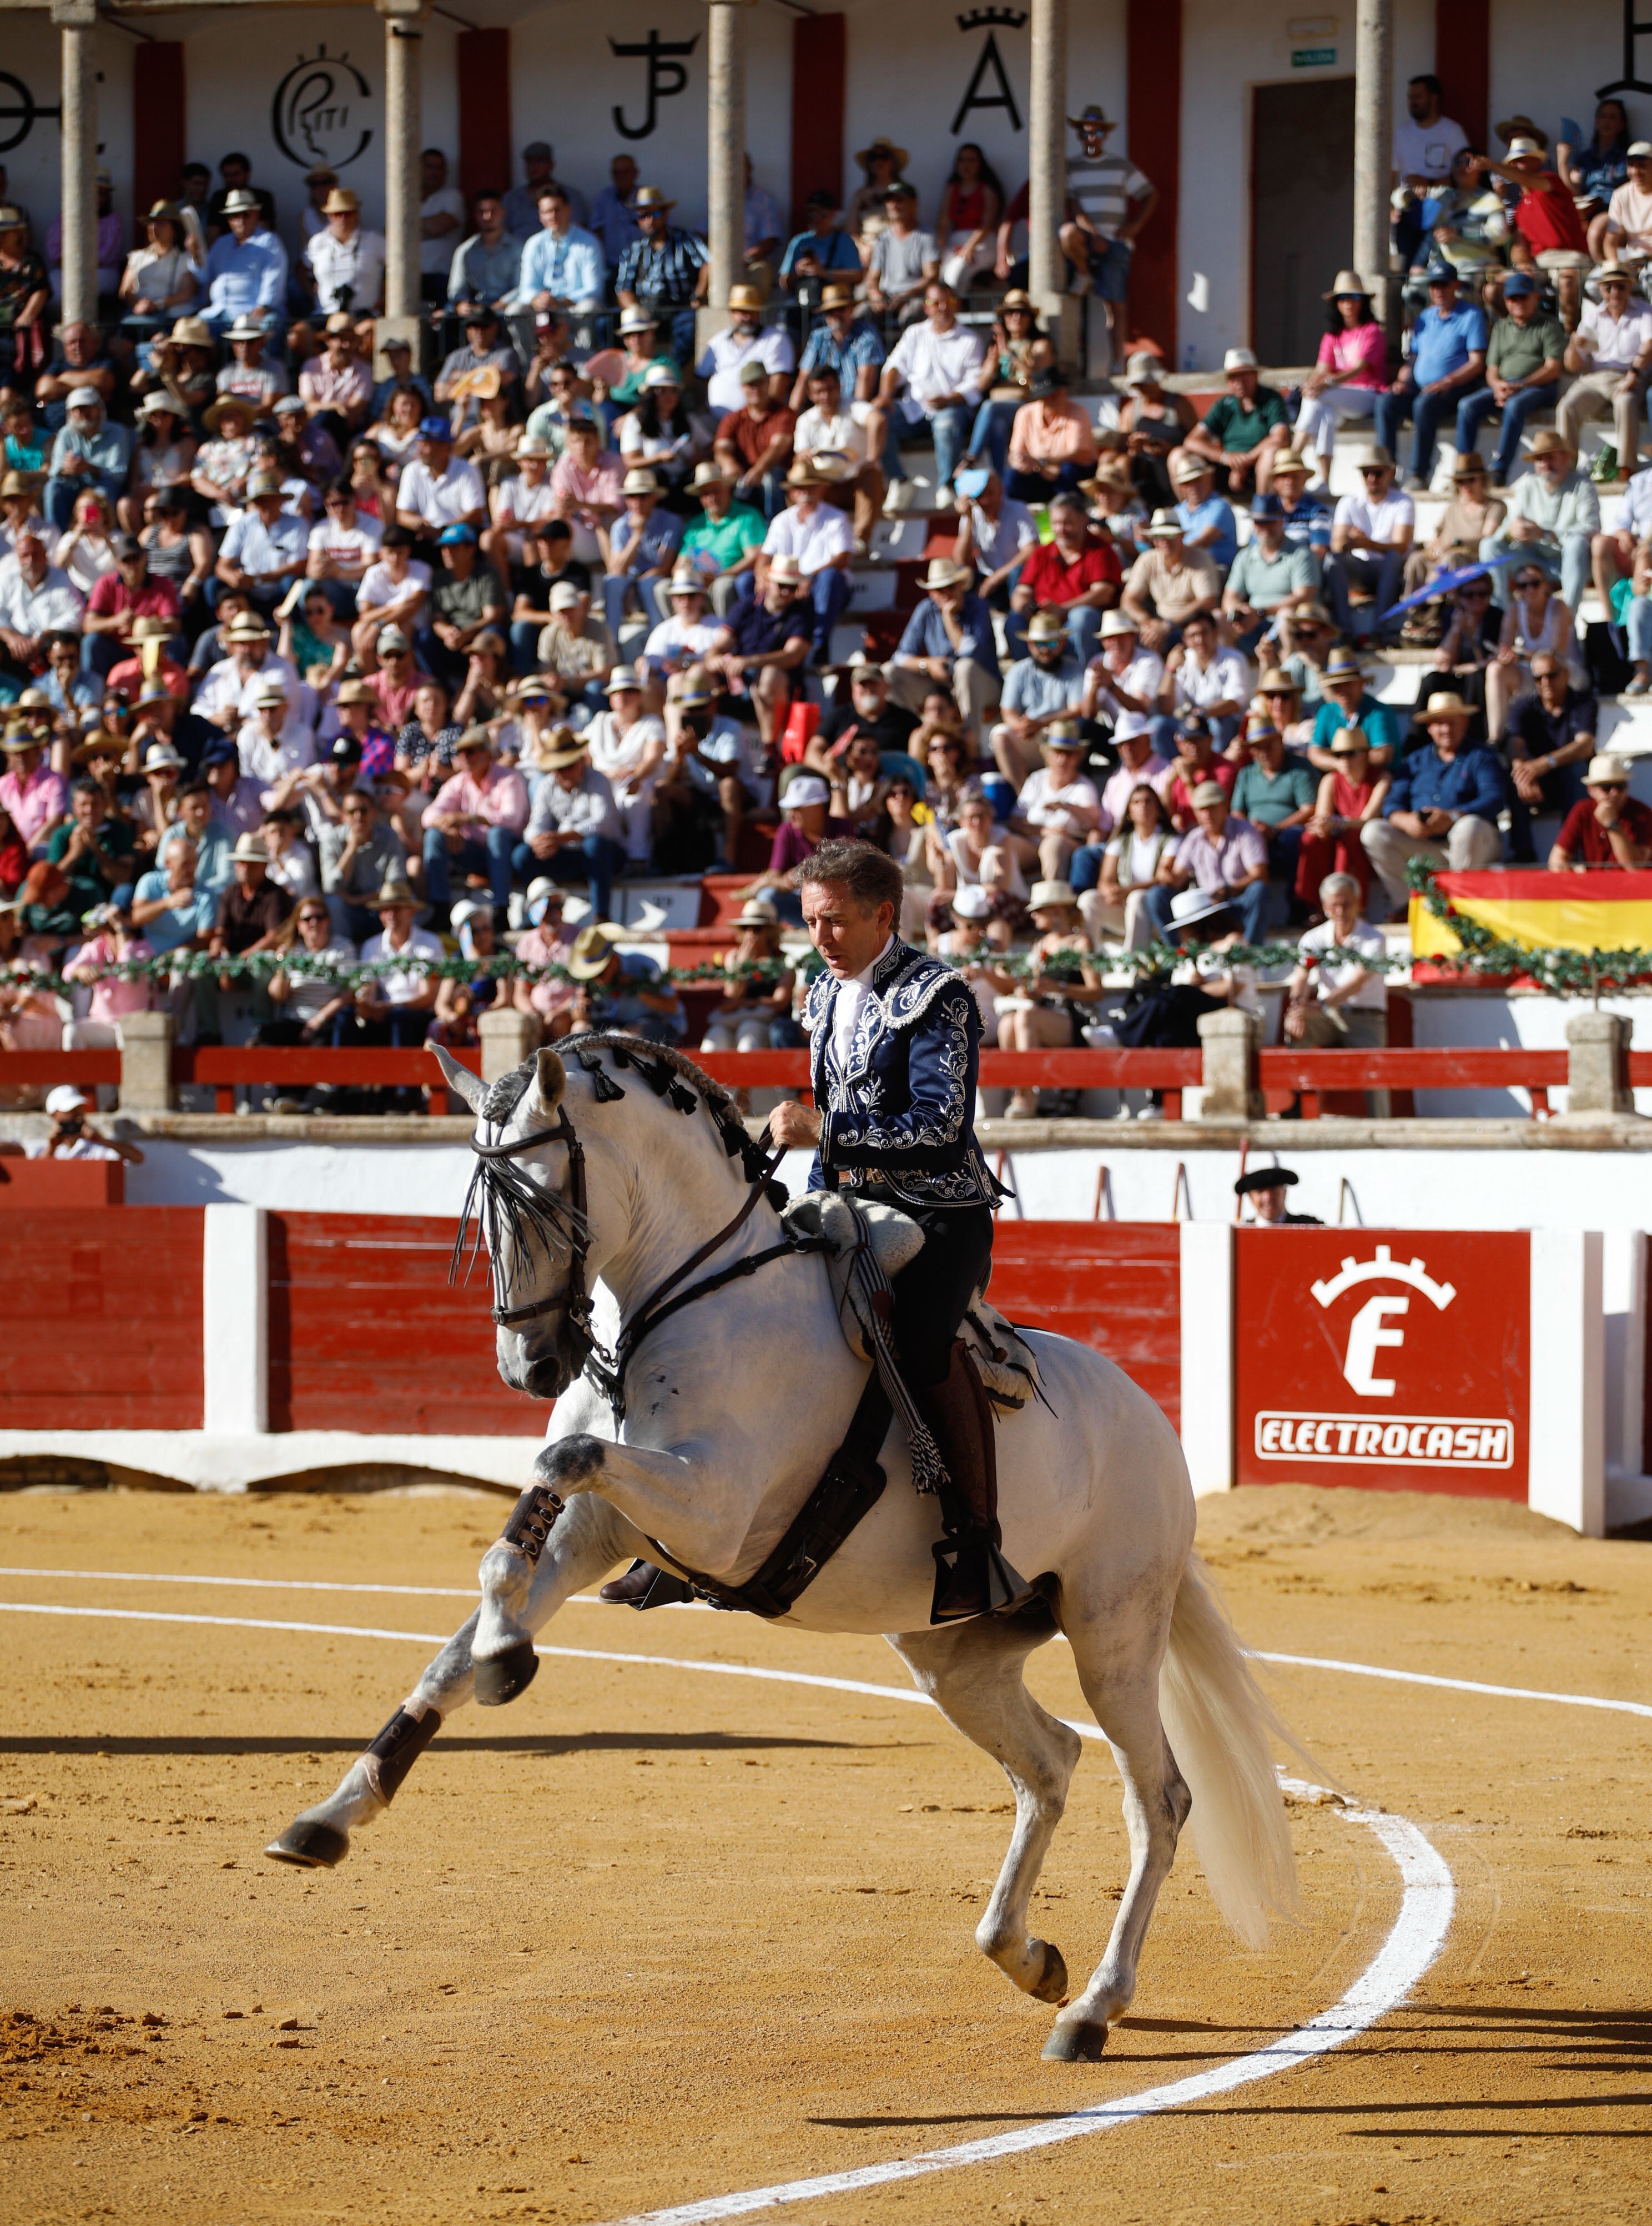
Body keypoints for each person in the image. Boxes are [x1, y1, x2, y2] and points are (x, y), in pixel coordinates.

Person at [1362, 692, 1504, 911]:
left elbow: (1494, 798)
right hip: (1427, 844)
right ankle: (1408, 906)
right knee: (1373, 832)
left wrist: (1453, 816)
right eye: (1439, 723)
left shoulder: (1481, 756)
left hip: (1474, 844)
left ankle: (1459, 905)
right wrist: (1406, 820)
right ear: (1429, 727)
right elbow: (1392, 804)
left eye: (1451, 722)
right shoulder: (1414, 761)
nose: (1445, 729)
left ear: (1464, 723)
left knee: (1469, 827)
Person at [1373, 259, 1485, 491]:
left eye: (1443, 285)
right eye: (1434, 285)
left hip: (1456, 387)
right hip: (1421, 386)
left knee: (1424, 405)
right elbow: (1412, 359)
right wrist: (1402, 381)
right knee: (1386, 402)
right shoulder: (1424, 317)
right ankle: (1386, 470)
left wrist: (1449, 380)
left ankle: (1419, 474)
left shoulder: (1472, 315)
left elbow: (1477, 363)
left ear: (1455, 285)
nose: (1438, 290)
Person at [866, 281, 985, 500]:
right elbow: (893, 367)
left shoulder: (971, 340)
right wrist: (885, 395)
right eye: (935, 302)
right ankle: (898, 480)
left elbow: (974, 384)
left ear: (956, 304)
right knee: (878, 418)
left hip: (952, 409)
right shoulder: (915, 334)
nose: (941, 307)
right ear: (926, 307)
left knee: (946, 423)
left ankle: (947, 486)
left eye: (946, 301)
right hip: (914, 408)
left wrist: (948, 399)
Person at [1453, 271, 1564, 488]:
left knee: (1515, 406)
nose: (1518, 302)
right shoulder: (1501, 327)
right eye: (1513, 298)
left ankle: (1500, 470)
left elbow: (1553, 368)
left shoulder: (1549, 325)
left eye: (1523, 297)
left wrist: (1520, 385)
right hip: (1506, 385)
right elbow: (1491, 368)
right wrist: (1497, 386)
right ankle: (1463, 467)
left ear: (1535, 297)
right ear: (1506, 301)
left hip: (1538, 387)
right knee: (1466, 406)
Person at [1061, 103, 1155, 358]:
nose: (1091, 138)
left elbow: (1150, 194)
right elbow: (1075, 208)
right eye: (1086, 133)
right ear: (1079, 136)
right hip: (1086, 240)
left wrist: (1135, 226)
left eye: (1097, 133)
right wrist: (1094, 236)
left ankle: (1117, 365)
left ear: (1105, 135)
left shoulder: (1120, 166)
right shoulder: (1071, 168)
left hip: (1116, 242)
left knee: (1115, 307)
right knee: (1066, 236)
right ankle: (1083, 274)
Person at [1479, 427, 1598, 614]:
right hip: (1531, 561)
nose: (1545, 464)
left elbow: (1591, 529)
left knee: (1576, 545)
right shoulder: (1527, 486)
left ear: (1565, 459)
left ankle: (1568, 618)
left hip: (1566, 562)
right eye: (1540, 459)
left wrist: (1545, 534)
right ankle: (1499, 615)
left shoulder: (1582, 486)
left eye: (1551, 458)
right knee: (1488, 546)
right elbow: (1508, 527)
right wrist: (1512, 531)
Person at [1145, 779, 1268, 946]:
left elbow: (1260, 875)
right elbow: (1178, 878)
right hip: (1205, 909)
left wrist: (1229, 889)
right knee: (1156, 895)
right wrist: (1166, 873)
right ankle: (1177, 956)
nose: (1207, 815)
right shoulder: (1194, 838)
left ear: (1225, 805)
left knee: (1259, 890)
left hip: (1236, 903)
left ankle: (1250, 954)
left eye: (1212, 807)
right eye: (1202, 810)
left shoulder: (1245, 832)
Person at [1557, 263, 1652, 480]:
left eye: (1620, 286)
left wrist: (1633, 375)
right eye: (1609, 287)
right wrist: (1573, 346)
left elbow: (1649, 345)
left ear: (1629, 288)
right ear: (1601, 290)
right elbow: (1573, 366)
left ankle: (1626, 469)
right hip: (1595, 378)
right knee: (1566, 407)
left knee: (1626, 402)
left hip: (1629, 374)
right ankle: (1567, 468)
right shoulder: (1592, 316)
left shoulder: (1645, 311)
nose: (1614, 292)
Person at [888, 556, 1000, 737]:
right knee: (890, 672)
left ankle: (970, 742)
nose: (946, 594)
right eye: (940, 590)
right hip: (942, 683)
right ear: (931, 593)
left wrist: (948, 617)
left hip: (982, 682)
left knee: (965, 668)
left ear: (961, 586)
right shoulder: (926, 609)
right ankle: (922, 735)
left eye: (951, 587)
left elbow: (968, 652)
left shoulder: (978, 607)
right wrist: (928, 664)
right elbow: (900, 657)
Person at [760, 460, 853, 665]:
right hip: (788, 585)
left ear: (821, 489)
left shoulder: (836, 518)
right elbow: (764, 558)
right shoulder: (781, 520)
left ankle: (821, 641)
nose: (805, 493)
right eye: (800, 488)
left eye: (810, 487)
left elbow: (843, 558)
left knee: (830, 578)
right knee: (746, 581)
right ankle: (758, 638)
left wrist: (809, 578)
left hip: (821, 586)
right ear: (791, 493)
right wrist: (763, 576)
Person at [1294, 272, 1389, 470]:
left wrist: (1325, 384)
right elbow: (1322, 368)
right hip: (1337, 396)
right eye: (1343, 298)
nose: (1349, 303)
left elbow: (1359, 368)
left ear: (1363, 302)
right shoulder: (1332, 336)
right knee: (1325, 413)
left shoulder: (1372, 331)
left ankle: (1294, 453)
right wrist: (1311, 385)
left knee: (1318, 398)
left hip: (1369, 394)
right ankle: (1325, 479)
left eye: (1354, 298)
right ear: (1336, 304)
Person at [614, 186, 709, 368]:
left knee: (688, 326)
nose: (649, 220)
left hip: (680, 307)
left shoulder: (686, 240)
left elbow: (708, 263)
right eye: (643, 215)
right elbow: (623, 289)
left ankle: (673, 370)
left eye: (655, 214)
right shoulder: (634, 250)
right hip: (647, 310)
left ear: (665, 214)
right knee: (612, 326)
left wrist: (699, 294)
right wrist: (635, 311)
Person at [1294, 727, 1388, 909]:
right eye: (1339, 755)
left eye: (1350, 753)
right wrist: (1323, 826)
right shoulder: (1330, 780)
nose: (1344, 760)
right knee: (1310, 839)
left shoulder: (1381, 779)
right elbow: (1322, 818)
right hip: (1339, 836)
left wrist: (1338, 823)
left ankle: (1352, 908)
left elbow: (1368, 820)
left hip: (1365, 841)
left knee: (1349, 840)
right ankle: (1311, 905)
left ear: (1364, 755)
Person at [1324, 445, 1413, 636]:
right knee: (1333, 560)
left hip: (1390, 571)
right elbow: (1336, 545)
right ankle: (1343, 629)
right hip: (1359, 569)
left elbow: (1401, 546)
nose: (1372, 478)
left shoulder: (1403, 502)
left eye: (1377, 473)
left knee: (1393, 559)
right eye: (1367, 473)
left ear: (1391, 473)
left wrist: (1368, 544)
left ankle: (1380, 629)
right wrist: (1350, 541)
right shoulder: (1349, 502)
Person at [1222, 493, 1319, 654]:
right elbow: (1229, 598)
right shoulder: (1245, 556)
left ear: (1281, 521)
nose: (1265, 528)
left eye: (1270, 522)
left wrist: (1261, 613)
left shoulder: (1300, 554)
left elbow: (1305, 595)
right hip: (1251, 625)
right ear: (1253, 525)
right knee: (1219, 619)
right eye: (1260, 523)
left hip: (1287, 625)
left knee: (1286, 617)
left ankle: (1288, 675)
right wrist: (1239, 613)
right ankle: (1230, 673)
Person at [1183, 348, 1289, 495]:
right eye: (1233, 378)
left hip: (1259, 465)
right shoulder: (1224, 404)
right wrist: (1225, 457)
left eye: (1244, 376)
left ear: (1255, 375)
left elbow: (1281, 437)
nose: (1239, 383)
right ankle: (1189, 511)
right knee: (1179, 455)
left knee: (1270, 454)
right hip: (1225, 468)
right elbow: (1191, 441)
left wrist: (1244, 461)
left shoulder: (1272, 400)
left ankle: (1264, 508)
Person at [698, 283, 794, 416]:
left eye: (752, 311)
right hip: (714, 422)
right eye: (742, 311)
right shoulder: (717, 341)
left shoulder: (776, 339)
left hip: (758, 421)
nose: (747, 317)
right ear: (731, 313)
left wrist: (760, 419)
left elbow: (779, 384)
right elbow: (700, 380)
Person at [202, 188, 287, 334]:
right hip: (218, 313)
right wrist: (195, 255)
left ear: (256, 215)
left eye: (245, 215)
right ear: (228, 219)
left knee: (268, 326)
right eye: (234, 216)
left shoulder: (269, 241)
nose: (240, 220)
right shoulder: (221, 243)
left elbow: (274, 279)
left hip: (252, 312)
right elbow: (204, 276)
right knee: (192, 330)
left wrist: (263, 307)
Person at [1549, 753, 1652, 870]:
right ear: (1591, 790)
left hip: (1632, 887)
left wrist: (1612, 825)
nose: (1615, 793)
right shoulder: (1582, 811)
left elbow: (1635, 867)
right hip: (1593, 887)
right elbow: (1557, 860)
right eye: (1606, 788)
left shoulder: (1643, 813)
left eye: (1620, 786)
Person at [1233, 1165, 1321, 1225]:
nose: (1268, 1198)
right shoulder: (1241, 1230)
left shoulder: (1309, 1227)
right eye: (1260, 1192)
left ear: (1285, 1193)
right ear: (1251, 1198)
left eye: (1273, 1190)